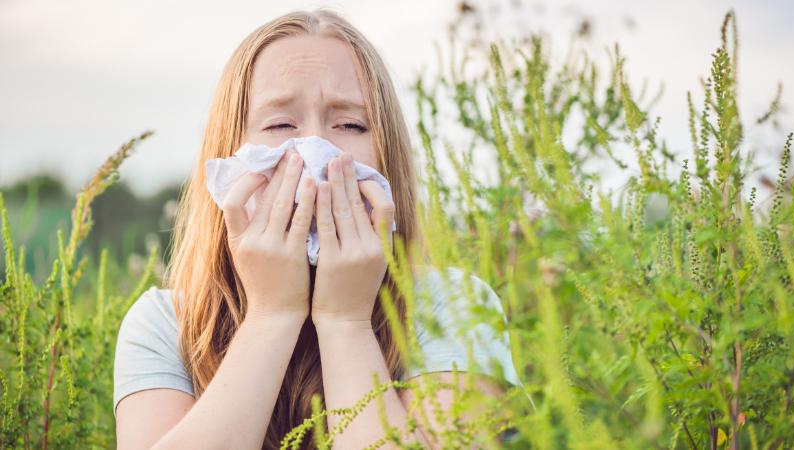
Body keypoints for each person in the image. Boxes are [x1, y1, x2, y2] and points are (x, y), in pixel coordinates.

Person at [113, 9, 524, 450]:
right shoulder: (166, 325)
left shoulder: (452, 306)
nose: (316, 147)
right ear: (230, 153)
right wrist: (271, 315)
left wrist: (345, 321)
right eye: (280, 124)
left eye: (350, 124)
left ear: (387, 154)